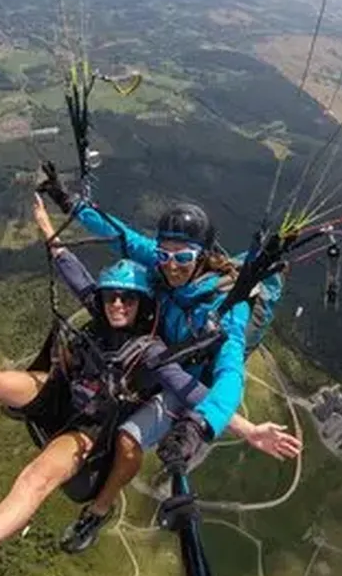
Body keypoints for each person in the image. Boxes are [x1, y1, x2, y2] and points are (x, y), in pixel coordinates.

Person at [0, 195, 300, 576]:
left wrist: (238, 428)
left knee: (38, 476)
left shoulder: (151, 348)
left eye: (127, 300)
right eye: (112, 297)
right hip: (65, 391)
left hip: (93, 423)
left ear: (142, 304)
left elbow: (191, 388)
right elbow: (84, 263)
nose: (116, 305)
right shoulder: (108, 304)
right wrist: (51, 221)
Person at [38, 167, 296, 547]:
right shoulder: (163, 259)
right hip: (156, 354)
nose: (171, 265)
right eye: (164, 255)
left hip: (188, 380)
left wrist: (199, 425)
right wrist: (67, 202)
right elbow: (119, 235)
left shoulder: (229, 306)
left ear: (203, 254)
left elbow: (229, 375)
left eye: (183, 257)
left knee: (128, 439)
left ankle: (97, 513)